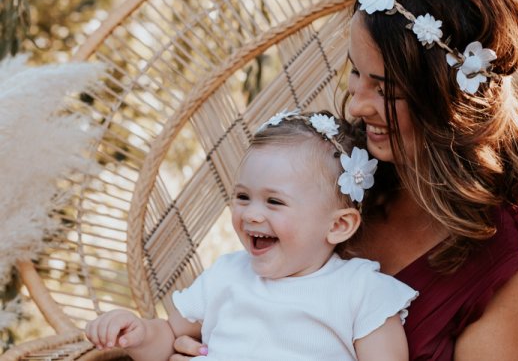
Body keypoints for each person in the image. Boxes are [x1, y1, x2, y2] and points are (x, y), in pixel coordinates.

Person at [173, 0, 518, 361]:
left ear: (450, 101)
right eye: (356, 74)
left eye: (385, 90)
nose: (357, 106)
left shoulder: (512, 265)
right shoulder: (345, 175)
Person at [85, 111, 418, 361]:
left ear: (338, 225)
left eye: (274, 201)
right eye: (243, 197)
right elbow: (169, 333)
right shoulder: (227, 275)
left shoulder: (362, 292)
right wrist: (140, 334)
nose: (252, 214)